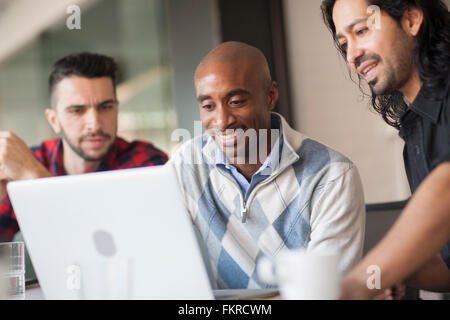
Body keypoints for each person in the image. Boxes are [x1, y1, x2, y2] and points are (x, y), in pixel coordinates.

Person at [170, 41, 366, 289]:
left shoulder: (331, 176)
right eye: (208, 106)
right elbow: (157, 257)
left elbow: (325, 291)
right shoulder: (187, 164)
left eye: (236, 101)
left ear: (270, 95)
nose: (221, 121)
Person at [321, 0, 450, 299]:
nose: (352, 54)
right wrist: (388, 272)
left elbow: (446, 187)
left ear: (411, 20)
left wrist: (358, 283)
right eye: (344, 44)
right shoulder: (415, 133)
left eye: (362, 30)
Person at [0, 52, 168, 242]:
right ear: (54, 120)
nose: (95, 124)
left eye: (105, 107)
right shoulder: (37, 160)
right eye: (77, 111)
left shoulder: (146, 163)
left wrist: (33, 178)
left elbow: (106, 245)